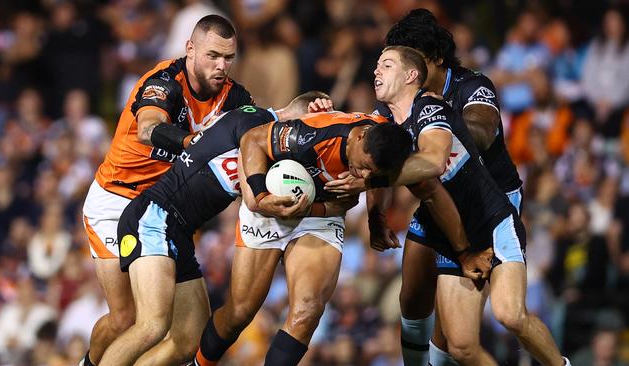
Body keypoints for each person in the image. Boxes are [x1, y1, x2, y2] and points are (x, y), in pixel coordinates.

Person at [326, 9, 523, 365]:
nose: (392, 69)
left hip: (488, 200)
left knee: (455, 333)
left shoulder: (470, 86)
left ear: (430, 59)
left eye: (403, 59)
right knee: (412, 295)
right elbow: (379, 158)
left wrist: (441, 127)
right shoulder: (398, 101)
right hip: (440, 197)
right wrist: (375, 214)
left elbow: (483, 129)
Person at [366, 46, 568, 365]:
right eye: (376, 65)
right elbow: (429, 192)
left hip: (492, 222)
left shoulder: (430, 108)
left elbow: (432, 163)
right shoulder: (391, 124)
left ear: (411, 75)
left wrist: (376, 178)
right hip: (454, 234)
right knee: (460, 347)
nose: (376, 71)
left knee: (510, 315)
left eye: (386, 65)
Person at [98, 92, 327, 366]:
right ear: (301, 117)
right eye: (311, 130)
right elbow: (255, 201)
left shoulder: (266, 145)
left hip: (178, 231)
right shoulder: (256, 121)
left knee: (189, 340)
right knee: (151, 325)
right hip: (153, 216)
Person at [80, 15, 253, 366]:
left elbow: (263, 128)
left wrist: (307, 110)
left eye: (229, 57)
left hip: (165, 211)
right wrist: (195, 143)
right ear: (190, 49)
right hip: (118, 199)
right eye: (213, 55)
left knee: (189, 336)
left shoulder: (233, 96)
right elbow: (148, 129)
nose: (221, 66)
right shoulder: (163, 81)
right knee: (127, 319)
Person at [195, 112, 413, 366]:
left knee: (307, 310)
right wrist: (261, 195)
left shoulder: (384, 139)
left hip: (320, 218)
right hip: (273, 202)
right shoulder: (313, 135)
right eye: (363, 165)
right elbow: (252, 140)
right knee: (239, 314)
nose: (363, 175)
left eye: (371, 172)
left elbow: (377, 180)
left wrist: (376, 218)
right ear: (360, 136)